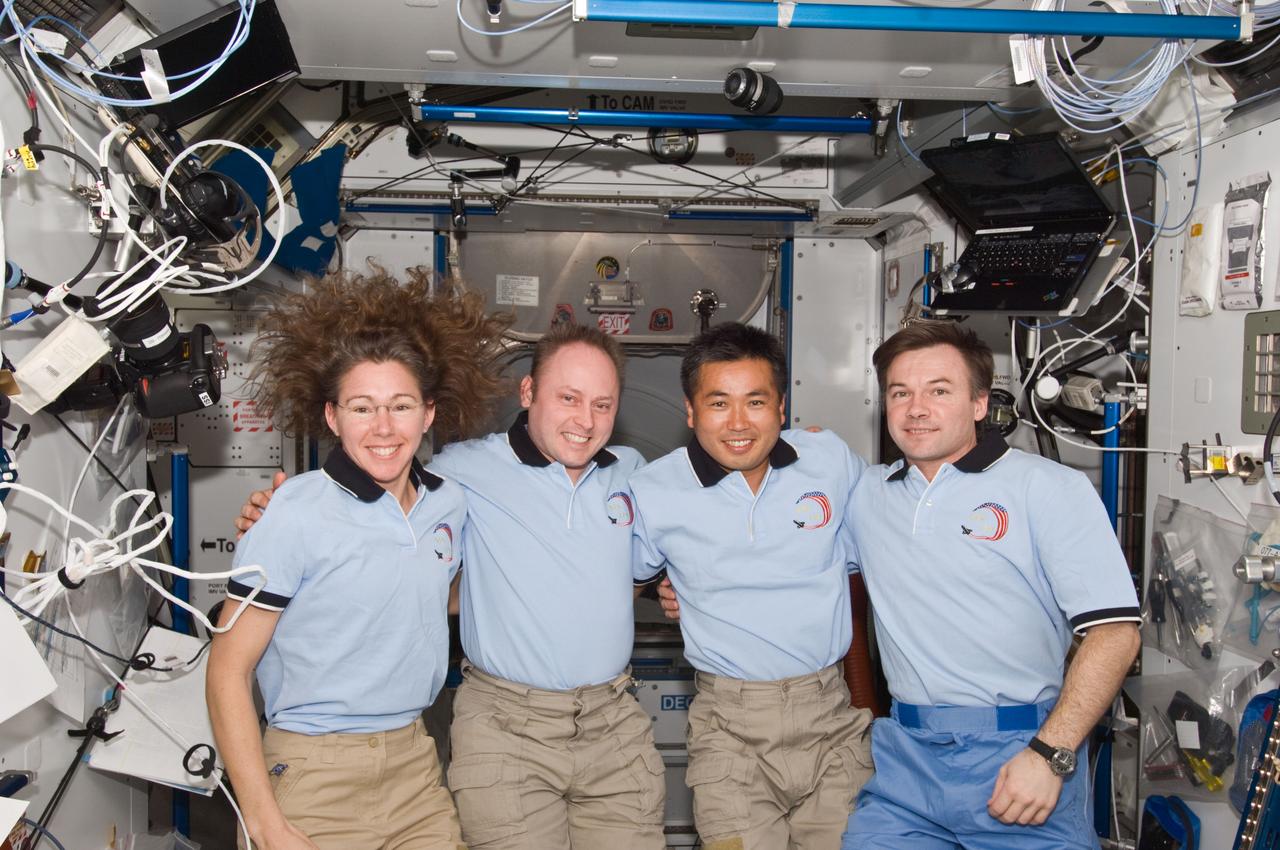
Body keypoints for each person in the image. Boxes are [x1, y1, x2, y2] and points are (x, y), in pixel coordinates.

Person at [235, 322, 666, 850]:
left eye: (603, 404)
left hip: (603, 722)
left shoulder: (632, 473)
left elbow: (660, 553)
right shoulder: (462, 474)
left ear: (426, 412)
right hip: (501, 725)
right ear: (528, 393)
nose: (585, 419)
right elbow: (373, 504)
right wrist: (270, 512)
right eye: (569, 398)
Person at [207, 268, 509, 850]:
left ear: (428, 414)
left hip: (415, 765)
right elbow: (226, 673)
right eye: (362, 407)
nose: (383, 428)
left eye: (400, 406)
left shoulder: (450, 504)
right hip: (311, 772)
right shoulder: (292, 512)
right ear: (331, 416)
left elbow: (435, 592)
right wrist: (266, 822)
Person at [837, 321, 1142, 849]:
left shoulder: (1046, 488)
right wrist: (676, 587)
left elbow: (1116, 633)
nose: (916, 409)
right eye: (900, 393)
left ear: (980, 404)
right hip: (905, 760)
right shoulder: (867, 495)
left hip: (1020, 754)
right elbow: (789, 561)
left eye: (939, 391)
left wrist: (1051, 754)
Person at [629, 322, 874, 850]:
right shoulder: (653, 492)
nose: (738, 423)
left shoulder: (828, 459)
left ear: (782, 408)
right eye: (718, 404)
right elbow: (618, 580)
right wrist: (658, 589)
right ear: (691, 412)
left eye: (755, 402)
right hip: (729, 730)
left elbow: (887, 543)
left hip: (830, 717)